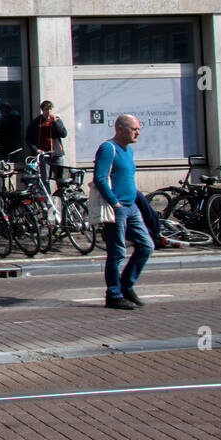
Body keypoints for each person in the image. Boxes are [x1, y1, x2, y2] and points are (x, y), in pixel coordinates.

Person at [93, 114, 153, 310]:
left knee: (146, 246)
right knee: (117, 252)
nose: (138, 132)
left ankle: (126, 285)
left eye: (138, 129)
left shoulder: (128, 151)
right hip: (117, 208)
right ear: (120, 129)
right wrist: (115, 203)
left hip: (131, 207)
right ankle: (114, 294)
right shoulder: (108, 148)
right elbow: (100, 179)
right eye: (134, 129)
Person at [25, 100, 68, 193]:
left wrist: (55, 122)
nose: (48, 111)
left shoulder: (56, 120)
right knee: (45, 179)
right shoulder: (36, 122)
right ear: (42, 110)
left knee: (60, 179)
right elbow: (28, 139)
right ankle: (48, 202)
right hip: (44, 155)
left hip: (56, 154)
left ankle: (63, 200)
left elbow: (63, 134)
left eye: (50, 109)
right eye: (46, 109)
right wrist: (36, 150)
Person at [0, 102, 24, 167]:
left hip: (9, 146)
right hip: (8, 146)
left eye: (2, 110)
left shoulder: (9, 120)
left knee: (8, 163)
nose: (1, 112)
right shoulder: (12, 119)